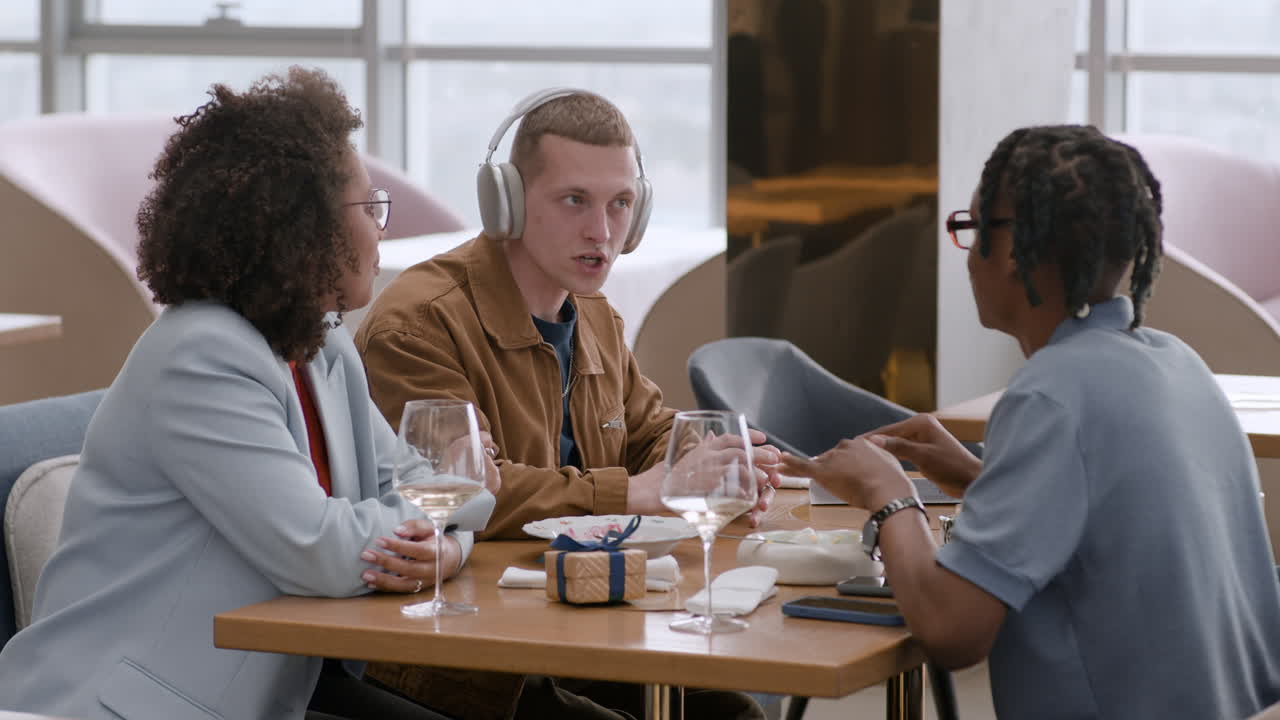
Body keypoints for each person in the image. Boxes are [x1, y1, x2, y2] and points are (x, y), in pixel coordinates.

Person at [0, 67, 496, 720]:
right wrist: (441, 534)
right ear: (300, 228)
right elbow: (319, 550)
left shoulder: (319, 339)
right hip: (129, 706)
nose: (383, 231)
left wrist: (448, 541)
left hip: (254, 695)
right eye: (368, 208)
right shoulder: (200, 355)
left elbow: (433, 483)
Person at [782, 125, 1280, 718]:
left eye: (971, 230)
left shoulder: (1052, 397)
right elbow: (1103, 523)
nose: (966, 258)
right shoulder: (1177, 363)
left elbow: (951, 631)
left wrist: (889, 496)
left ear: (1014, 251)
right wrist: (979, 476)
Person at [354, 89, 773, 719]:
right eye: (575, 200)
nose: (602, 232)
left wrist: (715, 470)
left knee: (733, 710)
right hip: (466, 660)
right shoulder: (418, 325)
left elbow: (648, 433)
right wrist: (634, 494)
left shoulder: (595, 315)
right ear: (510, 204)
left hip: (582, 622)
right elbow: (463, 495)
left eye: (621, 203)